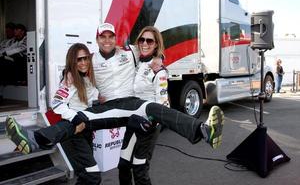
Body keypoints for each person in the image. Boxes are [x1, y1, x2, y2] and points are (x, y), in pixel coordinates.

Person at [6, 23, 224, 184]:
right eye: (103, 37)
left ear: (116, 39)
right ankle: (34, 140)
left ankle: (204, 131)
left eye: (111, 36)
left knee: (153, 110)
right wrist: (68, 73)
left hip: (132, 105)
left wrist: (160, 60)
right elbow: (77, 65)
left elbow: (151, 48)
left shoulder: (129, 52)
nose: (108, 40)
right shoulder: (90, 59)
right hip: (108, 107)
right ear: (98, 38)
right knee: (82, 121)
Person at [117, 26, 169, 185]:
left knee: (140, 169)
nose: (144, 43)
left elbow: (163, 104)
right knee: (124, 166)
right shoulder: (135, 59)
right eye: (142, 39)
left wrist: (150, 122)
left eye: (149, 41)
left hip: (149, 124)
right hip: (133, 121)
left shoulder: (159, 71)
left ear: (156, 45)